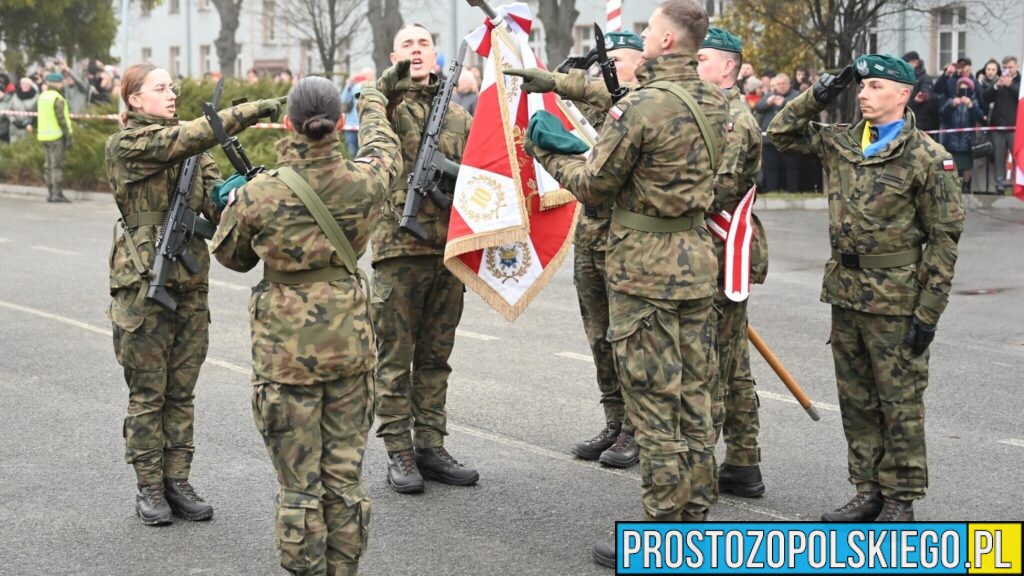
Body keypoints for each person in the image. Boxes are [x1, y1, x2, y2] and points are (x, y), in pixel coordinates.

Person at [524, 0, 727, 565]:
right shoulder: (717, 101)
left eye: (648, 31)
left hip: (645, 270)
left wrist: (543, 153)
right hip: (694, 260)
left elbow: (593, 185)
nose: (641, 38)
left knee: (655, 401)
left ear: (665, 43)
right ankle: (695, 513)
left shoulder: (641, 108)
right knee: (695, 396)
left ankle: (663, 533)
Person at [212, 72, 403, 576]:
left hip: (285, 357)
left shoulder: (259, 195)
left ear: (289, 124)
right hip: (350, 349)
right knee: (343, 480)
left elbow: (232, 259)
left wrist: (234, 206)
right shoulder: (366, 183)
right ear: (341, 123)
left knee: (300, 487)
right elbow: (387, 149)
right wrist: (375, 98)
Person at [769, 54, 963, 522]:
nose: (863, 94)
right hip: (846, 293)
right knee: (855, 400)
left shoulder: (929, 158)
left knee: (899, 403)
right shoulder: (841, 143)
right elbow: (780, 133)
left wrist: (928, 313)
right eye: (861, 86)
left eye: (875, 86)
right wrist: (821, 92)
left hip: (897, 299)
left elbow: (944, 239)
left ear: (903, 94)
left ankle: (901, 498)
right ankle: (867, 489)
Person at [105, 62, 285, 526]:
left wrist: (238, 193)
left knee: (182, 392)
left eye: (173, 87)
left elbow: (211, 204)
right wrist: (247, 111)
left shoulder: (192, 149)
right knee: (149, 393)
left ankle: (177, 480)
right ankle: (149, 487)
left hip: (189, 283)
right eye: (160, 88)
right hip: (143, 286)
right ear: (134, 100)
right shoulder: (129, 145)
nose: (171, 94)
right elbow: (178, 141)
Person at [506, 30, 646, 470]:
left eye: (619, 60)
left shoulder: (643, 111)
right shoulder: (592, 104)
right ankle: (614, 419)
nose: (610, 68)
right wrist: (558, 78)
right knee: (599, 338)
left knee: (629, 342)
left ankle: (636, 430)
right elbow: (558, 109)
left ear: (641, 65)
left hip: (628, 241)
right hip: (590, 235)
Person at [371, 23, 478, 494]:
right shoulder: (381, 106)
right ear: (394, 56)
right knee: (395, 356)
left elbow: (478, 176)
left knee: (436, 355)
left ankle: (430, 445)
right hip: (399, 247)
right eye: (406, 45)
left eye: (423, 44)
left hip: (446, 247)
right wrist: (385, 87)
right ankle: (398, 450)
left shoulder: (457, 114)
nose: (416, 51)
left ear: (435, 55)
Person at [687, 27, 767, 523]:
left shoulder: (733, 120)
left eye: (703, 60)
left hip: (718, 253)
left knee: (713, 366)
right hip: (713, 252)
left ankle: (699, 481)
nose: (696, 67)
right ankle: (743, 463)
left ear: (727, 68)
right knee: (733, 363)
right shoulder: (712, 110)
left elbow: (716, 191)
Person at [939, 76, 984, 192]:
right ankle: (952, 187)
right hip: (951, 140)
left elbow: (980, 116)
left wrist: (970, 106)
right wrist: (952, 105)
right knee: (951, 165)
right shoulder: (951, 100)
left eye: (966, 88)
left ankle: (966, 186)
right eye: (961, 88)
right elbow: (942, 115)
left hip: (967, 140)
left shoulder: (973, 101)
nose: (963, 90)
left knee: (967, 166)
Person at [756, 73, 800, 191]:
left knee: (791, 167)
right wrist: (768, 102)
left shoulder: (796, 95)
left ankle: (792, 191)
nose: (780, 86)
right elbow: (758, 107)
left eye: (783, 84)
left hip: (788, 138)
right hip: (769, 139)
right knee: (770, 167)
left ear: (789, 84)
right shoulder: (769, 95)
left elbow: (800, 110)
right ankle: (771, 191)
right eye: (778, 84)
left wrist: (784, 103)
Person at [982, 56, 1020, 194]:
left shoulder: (1020, 81)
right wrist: (997, 86)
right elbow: (985, 97)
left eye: (1010, 67)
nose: (1007, 70)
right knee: (999, 156)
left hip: (1015, 127)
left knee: (1018, 157)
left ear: (1017, 67)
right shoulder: (999, 81)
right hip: (998, 126)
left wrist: (1011, 85)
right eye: (1005, 67)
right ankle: (1000, 184)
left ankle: (1019, 184)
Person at [36, 72, 73, 203]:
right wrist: (68, 137)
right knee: (57, 166)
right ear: (57, 83)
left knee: (48, 166)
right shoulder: (57, 98)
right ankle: (57, 194)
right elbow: (61, 120)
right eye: (61, 82)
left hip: (43, 135)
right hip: (56, 136)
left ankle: (51, 193)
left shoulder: (42, 97)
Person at [340, 67, 375, 157]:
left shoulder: (376, 88)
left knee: (364, 154)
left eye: (367, 75)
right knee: (351, 153)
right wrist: (349, 85)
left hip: (366, 127)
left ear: (372, 77)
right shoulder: (354, 87)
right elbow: (343, 100)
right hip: (351, 127)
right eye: (363, 75)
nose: (365, 77)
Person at [7, 77, 38, 143]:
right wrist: (13, 121)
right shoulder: (15, 95)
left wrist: (30, 123)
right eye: (23, 84)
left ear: (30, 86)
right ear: (20, 85)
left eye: (27, 84)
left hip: (28, 126)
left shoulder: (36, 97)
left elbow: (37, 112)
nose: (25, 86)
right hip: (14, 126)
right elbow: (8, 110)